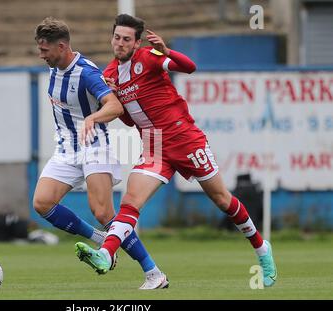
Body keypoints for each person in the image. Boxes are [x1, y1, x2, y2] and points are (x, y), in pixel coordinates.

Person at [75, 14, 277, 287]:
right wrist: (114, 99)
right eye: (116, 37)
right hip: (154, 143)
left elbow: (190, 67)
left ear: (136, 44)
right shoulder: (109, 75)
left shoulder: (149, 57)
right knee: (131, 201)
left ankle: (261, 248)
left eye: (126, 39)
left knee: (222, 199)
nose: (119, 43)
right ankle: (105, 254)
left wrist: (168, 51)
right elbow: (127, 117)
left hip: (184, 138)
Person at [32, 17, 169, 289]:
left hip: (94, 146)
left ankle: (153, 273)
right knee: (42, 203)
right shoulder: (54, 67)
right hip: (66, 149)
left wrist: (94, 118)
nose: (41, 54)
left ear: (61, 46)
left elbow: (114, 106)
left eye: (44, 49)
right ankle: (99, 239)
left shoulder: (86, 73)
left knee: (105, 213)